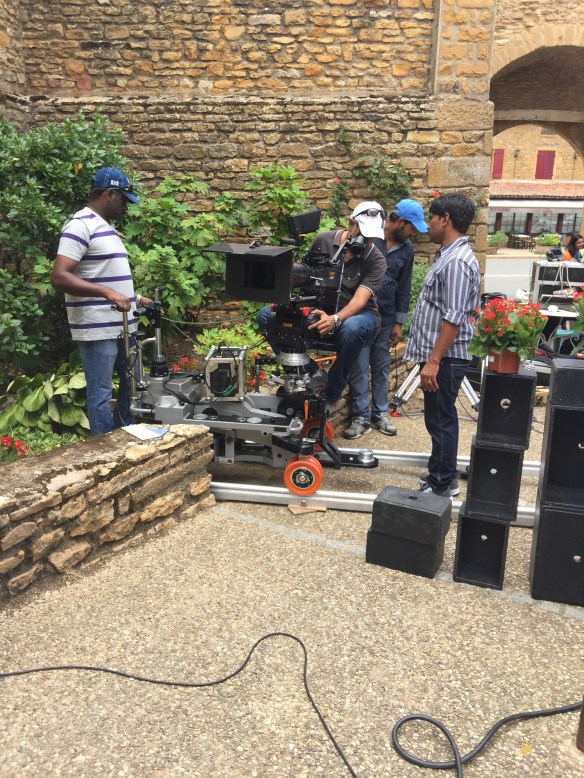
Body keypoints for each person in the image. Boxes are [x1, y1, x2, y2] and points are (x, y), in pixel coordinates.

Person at [257, 201, 386, 413]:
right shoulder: (323, 241)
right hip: (320, 308)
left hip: (360, 316)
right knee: (266, 316)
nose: (367, 240)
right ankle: (311, 374)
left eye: (372, 236)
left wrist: (335, 318)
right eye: (364, 233)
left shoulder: (376, 259)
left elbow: (359, 301)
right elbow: (305, 278)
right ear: (351, 224)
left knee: (352, 328)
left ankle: (331, 393)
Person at [51, 166, 151, 435]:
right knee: (101, 393)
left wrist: (137, 298)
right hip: (98, 330)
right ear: (109, 194)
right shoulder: (80, 225)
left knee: (133, 385)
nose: (126, 207)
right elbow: (59, 276)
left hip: (122, 327)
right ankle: (103, 448)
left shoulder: (105, 228)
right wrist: (107, 293)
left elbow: (103, 276)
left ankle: (125, 439)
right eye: (123, 199)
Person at [404, 192, 481, 497]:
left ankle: (442, 485)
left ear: (445, 219)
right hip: (441, 356)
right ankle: (441, 474)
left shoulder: (458, 261)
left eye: (432, 218)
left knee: (441, 419)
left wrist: (434, 361)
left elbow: (454, 316)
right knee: (437, 417)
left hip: (446, 357)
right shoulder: (449, 255)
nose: (429, 224)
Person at [344, 199, 428, 439]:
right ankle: (360, 417)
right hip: (361, 315)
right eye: (412, 228)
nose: (413, 234)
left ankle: (380, 413)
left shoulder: (407, 249)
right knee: (359, 366)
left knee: (381, 366)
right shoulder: (368, 237)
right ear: (400, 222)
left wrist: (399, 322)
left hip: (387, 317)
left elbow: (404, 286)